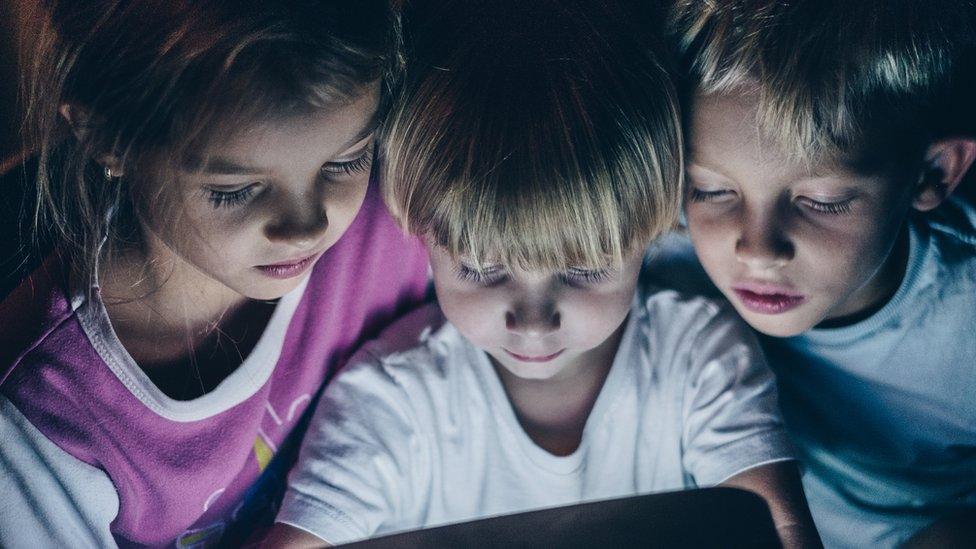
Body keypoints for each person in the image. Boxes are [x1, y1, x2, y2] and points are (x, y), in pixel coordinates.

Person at [263, 1, 820, 547]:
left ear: (652, 229)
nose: (533, 323)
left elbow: (781, 532)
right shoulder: (389, 401)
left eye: (582, 270)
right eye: (483, 269)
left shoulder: (698, 357)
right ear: (421, 232)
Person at [0, 0, 430, 546]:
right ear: (106, 138)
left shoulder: (405, 209)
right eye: (234, 190)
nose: (305, 227)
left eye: (345, 162)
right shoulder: (43, 420)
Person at [654, 1, 976, 546]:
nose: (758, 251)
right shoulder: (660, 255)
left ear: (932, 173)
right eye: (711, 190)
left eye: (821, 201)